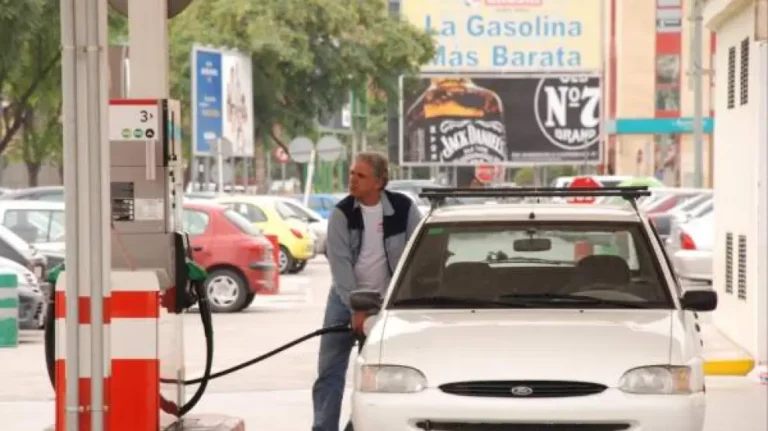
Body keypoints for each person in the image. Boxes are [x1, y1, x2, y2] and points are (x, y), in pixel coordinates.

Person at [312, 152, 424, 431]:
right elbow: (340, 265)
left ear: (379, 182)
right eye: (351, 173)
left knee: (378, 375)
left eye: (360, 175)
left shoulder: (403, 209)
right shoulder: (341, 213)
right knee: (329, 372)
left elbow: (419, 253)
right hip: (344, 299)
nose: (352, 180)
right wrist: (356, 308)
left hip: (387, 306)